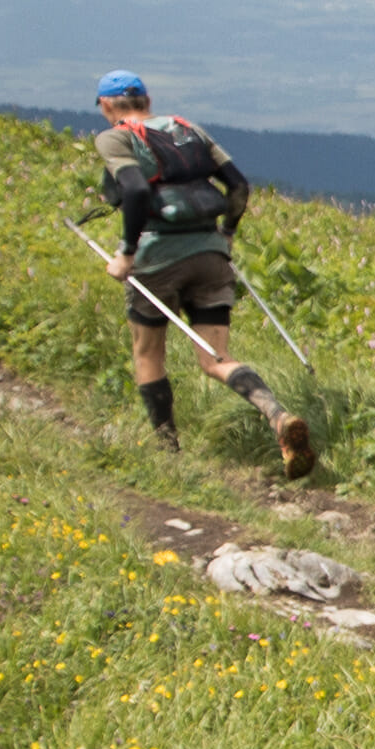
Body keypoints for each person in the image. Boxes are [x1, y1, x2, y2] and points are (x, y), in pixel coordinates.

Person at [90, 73, 315, 476]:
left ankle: (166, 450)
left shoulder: (114, 138)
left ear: (107, 106)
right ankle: (277, 416)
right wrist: (226, 235)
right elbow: (239, 186)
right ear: (148, 98)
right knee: (216, 358)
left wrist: (125, 255)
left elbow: (137, 191)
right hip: (211, 255)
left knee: (148, 353)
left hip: (157, 257)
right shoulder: (189, 129)